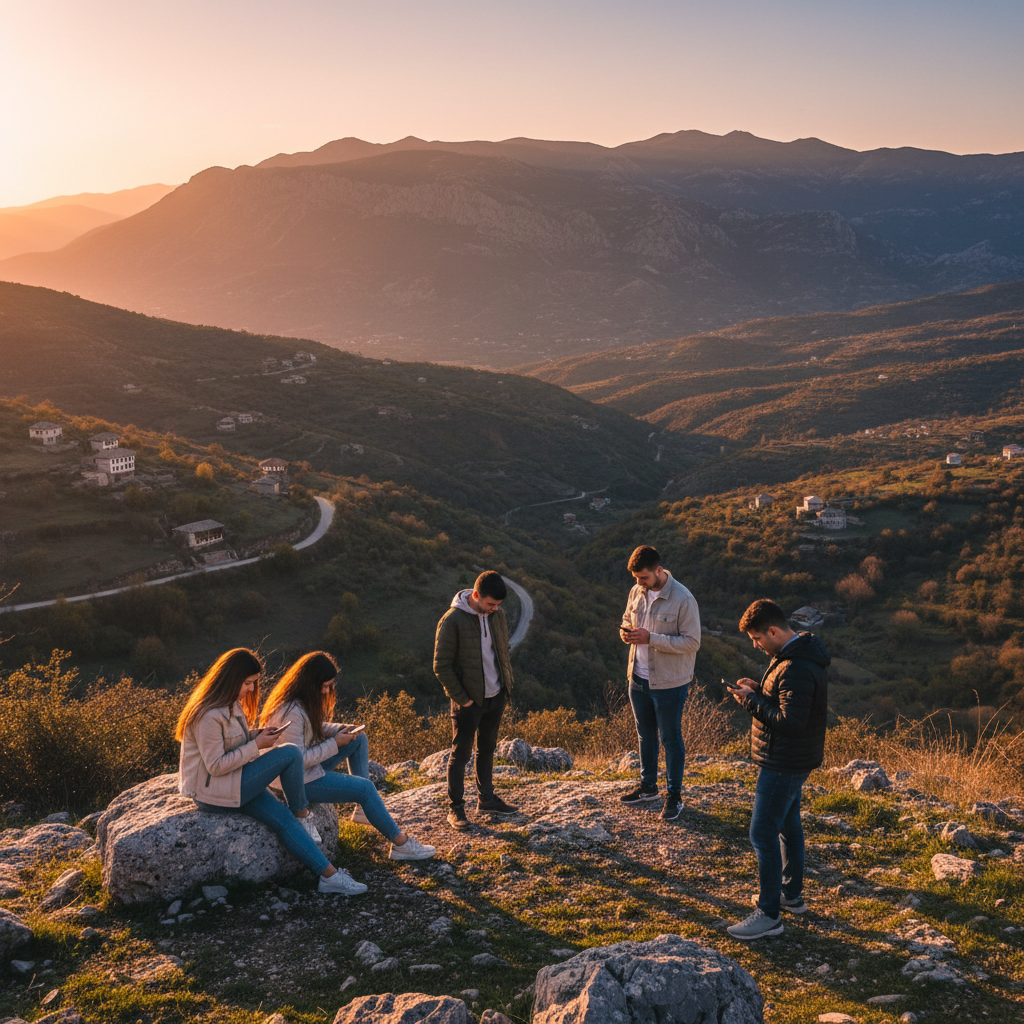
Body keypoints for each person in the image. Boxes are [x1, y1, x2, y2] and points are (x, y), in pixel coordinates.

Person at [176, 647, 369, 895]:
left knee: (284, 820)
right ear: (230, 679)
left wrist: (256, 735)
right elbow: (215, 765)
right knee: (289, 752)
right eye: (247, 683)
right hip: (214, 793)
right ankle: (302, 813)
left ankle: (329, 876)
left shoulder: (231, 706)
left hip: (235, 783)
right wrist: (256, 745)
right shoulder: (207, 715)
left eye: (253, 683)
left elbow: (232, 743)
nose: (251, 690)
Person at [260, 651, 435, 861]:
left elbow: (313, 728)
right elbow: (298, 760)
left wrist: (339, 730)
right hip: (296, 782)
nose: (326, 692)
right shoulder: (291, 712)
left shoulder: (300, 704)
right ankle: (401, 844)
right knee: (366, 788)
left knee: (357, 739)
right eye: (323, 686)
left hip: (305, 771)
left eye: (329, 686)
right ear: (308, 683)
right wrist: (335, 743)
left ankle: (364, 809)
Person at [725, 599, 830, 940]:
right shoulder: (793, 656)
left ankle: (769, 914)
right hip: (794, 758)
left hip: (784, 761)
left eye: (757, 639)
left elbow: (791, 722)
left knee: (762, 833)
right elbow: (787, 703)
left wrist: (750, 701)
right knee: (788, 826)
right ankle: (791, 895)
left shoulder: (795, 666)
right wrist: (758, 690)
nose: (756, 646)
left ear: (773, 630)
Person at [618, 545, 701, 821]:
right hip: (638, 677)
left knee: (670, 738)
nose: (639, 583)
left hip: (669, 682)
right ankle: (648, 787)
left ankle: (674, 796)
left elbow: (692, 642)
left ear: (658, 570)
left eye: (643, 577)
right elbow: (627, 620)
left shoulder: (683, 599)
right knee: (645, 735)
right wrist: (627, 634)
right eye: (636, 578)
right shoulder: (636, 592)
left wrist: (651, 638)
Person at [433, 570, 516, 830]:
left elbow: (502, 651)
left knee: (487, 749)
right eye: (490, 604)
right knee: (461, 754)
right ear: (476, 595)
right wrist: (463, 699)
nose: (494, 609)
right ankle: (456, 809)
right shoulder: (452, 620)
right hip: (469, 702)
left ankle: (486, 800)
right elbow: (441, 665)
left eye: (498, 605)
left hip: (495, 696)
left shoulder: (497, 615)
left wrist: (504, 688)